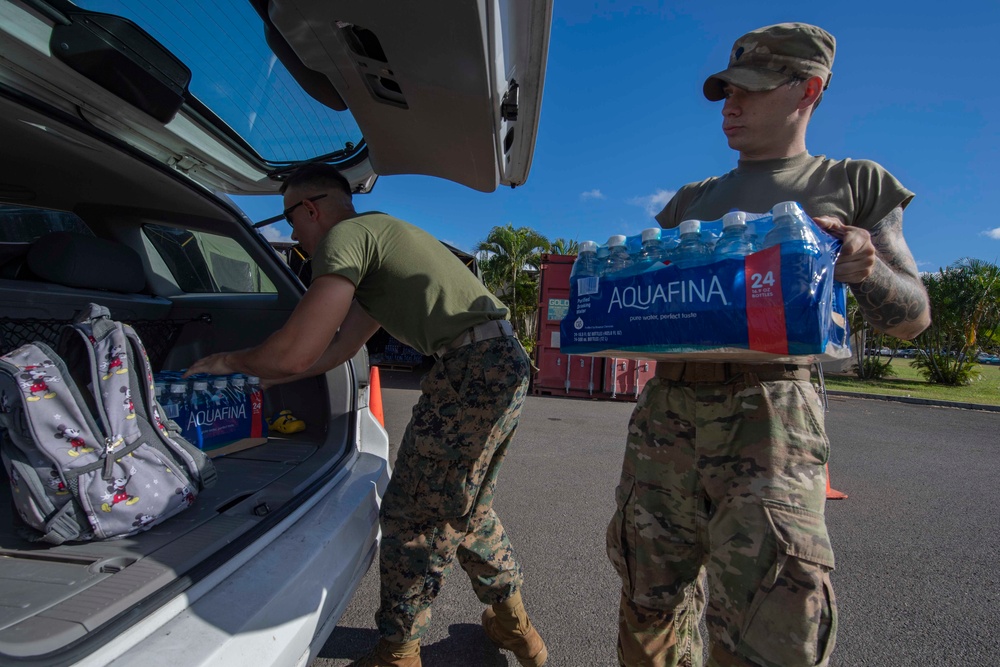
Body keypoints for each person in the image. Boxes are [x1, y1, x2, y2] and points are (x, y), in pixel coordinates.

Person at [605, 23, 930, 667]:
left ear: (809, 89)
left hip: (771, 415)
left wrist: (866, 266)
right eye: (726, 90)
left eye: (750, 90)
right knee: (648, 598)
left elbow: (913, 317)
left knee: (771, 618)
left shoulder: (853, 181)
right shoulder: (692, 202)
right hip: (667, 412)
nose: (732, 105)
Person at [185, 163, 547, 667]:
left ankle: (399, 652)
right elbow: (335, 350)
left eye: (292, 222)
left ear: (310, 208)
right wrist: (268, 379)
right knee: (463, 506)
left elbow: (296, 349)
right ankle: (515, 628)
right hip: (494, 364)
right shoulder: (378, 237)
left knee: (412, 515)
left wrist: (225, 362)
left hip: (470, 371)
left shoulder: (345, 238)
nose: (294, 236)